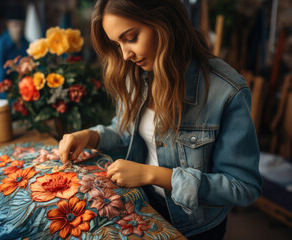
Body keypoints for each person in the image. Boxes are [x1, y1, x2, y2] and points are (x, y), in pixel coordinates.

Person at [58, 0, 262, 239]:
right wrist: (90, 135)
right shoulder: (135, 74)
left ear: (165, 22)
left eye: (131, 38)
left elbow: (243, 187)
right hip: (142, 208)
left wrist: (152, 174)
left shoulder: (226, 91)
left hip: (195, 227)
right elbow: (128, 131)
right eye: (117, 44)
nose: (125, 55)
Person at [0, 6, 29, 99]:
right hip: (9, 93)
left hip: (25, 89)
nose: (19, 29)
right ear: (8, 24)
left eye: (21, 25)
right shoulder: (0, 46)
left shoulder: (25, 42)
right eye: (15, 25)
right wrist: (9, 99)